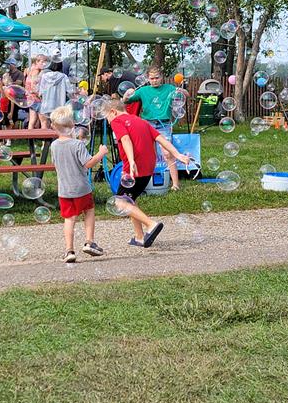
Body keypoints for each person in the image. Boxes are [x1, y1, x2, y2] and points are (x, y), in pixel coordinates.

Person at [105, 100, 191, 248]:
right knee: (130, 199)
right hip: (149, 168)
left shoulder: (117, 121)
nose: (108, 121)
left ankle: (150, 224)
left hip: (134, 168)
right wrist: (177, 155)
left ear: (113, 111)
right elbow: (161, 139)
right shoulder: (142, 121)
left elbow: (125, 139)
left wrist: (131, 160)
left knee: (120, 202)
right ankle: (139, 237)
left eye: (107, 117)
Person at [48, 105, 108, 263]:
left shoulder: (54, 146)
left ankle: (69, 251)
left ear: (53, 126)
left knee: (69, 219)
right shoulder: (77, 144)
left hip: (64, 190)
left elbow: (56, 163)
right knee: (89, 211)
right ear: (72, 125)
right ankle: (89, 242)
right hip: (81, 188)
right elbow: (88, 164)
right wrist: (101, 153)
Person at [124, 65, 183, 190]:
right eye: (152, 78)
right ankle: (145, 184)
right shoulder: (143, 91)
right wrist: (126, 94)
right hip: (147, 124)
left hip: (164, 124)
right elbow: (126, 101)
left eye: (157, 78)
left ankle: (175, 184)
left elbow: (185, 95)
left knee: (168, 153)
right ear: (148, 79)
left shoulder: (169, 88)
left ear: (161, 77)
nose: (154, 80)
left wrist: (182, 91)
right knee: (147, 154)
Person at [38, 61, 72, 128]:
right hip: (59, 105)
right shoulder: (64, 76)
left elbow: (40, 92)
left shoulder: (44, 76)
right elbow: (69, 91)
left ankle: (45, 135)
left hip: (46, 105)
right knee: (57, 125)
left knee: (45, 123)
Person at [24, 54, 47, 129]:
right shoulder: (36, 71)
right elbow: (33, 87)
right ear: (37, 62)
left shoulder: (30, 70)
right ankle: (45, 136)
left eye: (45, 62)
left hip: (30, 98)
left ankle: (29, 136)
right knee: (44, 121)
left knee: (32, 120)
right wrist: (41, 95)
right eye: (42, 62)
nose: (44, 64)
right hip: (36, 98)